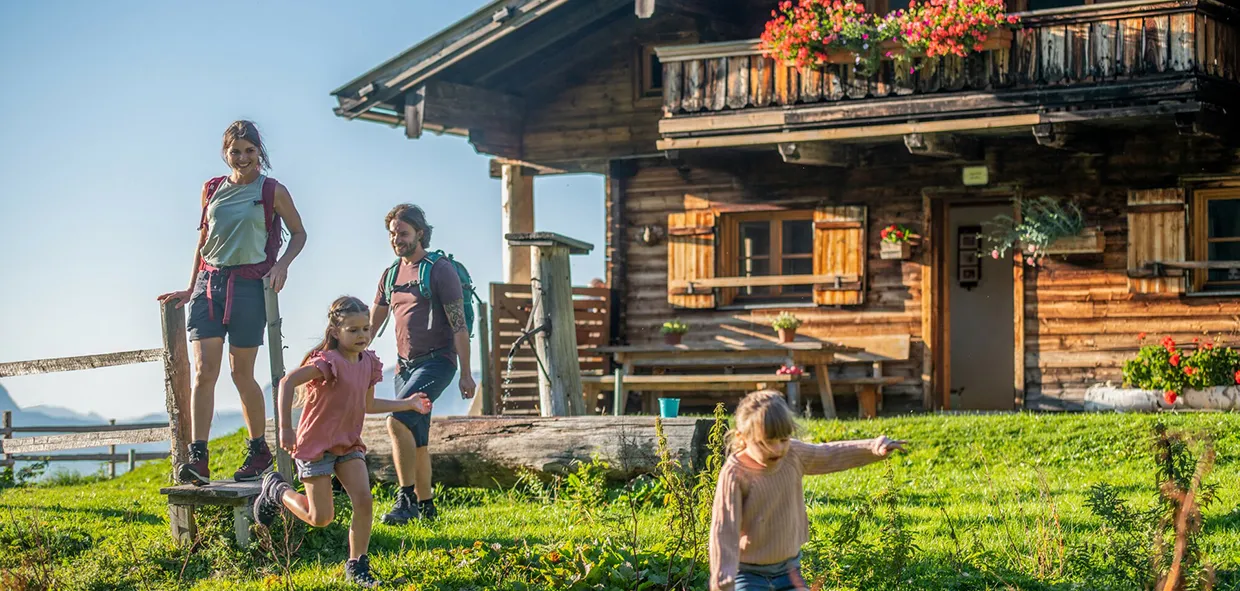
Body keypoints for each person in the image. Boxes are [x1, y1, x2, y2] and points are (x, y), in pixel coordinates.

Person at [157, 120, 307, 485]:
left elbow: (300, 233)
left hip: (249, 286)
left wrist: (282, 266)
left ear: (260, 153)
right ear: (225, 153)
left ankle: (258, 450)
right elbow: (203, 241)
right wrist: (190, 287)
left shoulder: (272, 190)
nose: (242, 158)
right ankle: (199, 457)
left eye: (249, 151)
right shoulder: (211, 189)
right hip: (209, 285)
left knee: (242, 374)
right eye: (235, 151)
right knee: (203, 372)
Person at [252, 296, 432, 588]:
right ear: (336, 332)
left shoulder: (369, 363)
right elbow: (287, 383)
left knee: (364, 500)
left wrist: (408, 403)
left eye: (366, 329)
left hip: (348, 444)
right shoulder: (328, 362)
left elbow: (368, 405)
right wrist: (285, 428)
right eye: (353, 330)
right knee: (320, 517)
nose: (362, 335)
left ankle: (357, 565)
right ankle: (277, 490)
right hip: (316, 447)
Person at [709, 390, 907, 591]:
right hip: (748, 574)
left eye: (783, 440)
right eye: (767, 442)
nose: (777, 449)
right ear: (742, 438)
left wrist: (872, 447)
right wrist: (723, 582)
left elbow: (830, 455)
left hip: (789, 570)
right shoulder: (735, 474)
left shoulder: (794, 454)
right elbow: (724, 530)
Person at [371, 204, 475, 524]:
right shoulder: (391, 274)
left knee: (397, 420)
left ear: (420, 233)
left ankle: (405, 500)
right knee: (417, 439)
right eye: (392, 234)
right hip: (404, 368)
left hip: (437, 363)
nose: (397, 239)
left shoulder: (439, 269)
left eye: (403, 233)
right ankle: (427, 507)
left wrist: (466, 374)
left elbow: (459, 325)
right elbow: (371, 325)